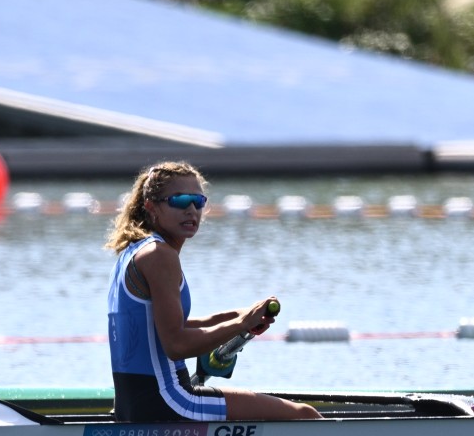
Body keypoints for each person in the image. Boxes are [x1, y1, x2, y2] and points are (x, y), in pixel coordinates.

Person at [105, 161, 322, 422]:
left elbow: (163, 325)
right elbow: (176, 345)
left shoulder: (135, 251)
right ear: (152, 207)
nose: (191, 210)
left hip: (133, 406)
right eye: (180, 200)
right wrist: (241, 323)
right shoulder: (160, 255)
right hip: (170, 402)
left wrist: (240, 315)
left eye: (198, 201)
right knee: (304, 415)